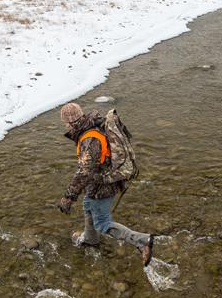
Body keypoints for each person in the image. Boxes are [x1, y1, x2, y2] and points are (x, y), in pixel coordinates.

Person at [57, 102, 154, 267]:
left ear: (70, 122)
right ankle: (90, 239)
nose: (65, 125)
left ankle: (142, 241)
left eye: (65, 122)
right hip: (101, 180)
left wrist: (68, 197)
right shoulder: (93, 126)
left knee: (102, 223)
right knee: (88, 205)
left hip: (102, 185)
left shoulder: (89, 139)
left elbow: (84, 172)